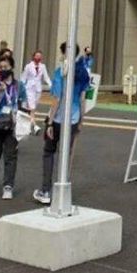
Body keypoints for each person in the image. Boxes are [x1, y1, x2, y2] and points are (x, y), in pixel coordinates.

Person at [33, 42, 90, 205]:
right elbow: (82, 98)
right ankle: (63, 189)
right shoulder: (82, 73)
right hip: (73, 118)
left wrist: (49, 122)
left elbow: (56, 99)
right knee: (66, 154)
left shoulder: (60, 73)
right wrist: (81, 121)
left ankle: (46, 190)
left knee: (49, 151)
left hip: (58, 119)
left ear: (65, 53)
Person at [0, 55, 24, 200]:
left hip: (12, 124)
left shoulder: (18, 85)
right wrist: (1, 93)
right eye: (0, 68)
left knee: (11, 156)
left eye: (5, 67)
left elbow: (23, 103)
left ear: (11, 67)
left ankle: (8, 186)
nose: (3, 70)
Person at [20, 50, 50, 114]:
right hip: (29, 87)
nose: (38, 57)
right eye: (37, 56)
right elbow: (24, 77)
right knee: (31, 104)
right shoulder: (28, 66)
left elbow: (46, 77)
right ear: (33, 57)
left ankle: (29, 115)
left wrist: (50, 85)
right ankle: (32, 119)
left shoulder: (43, 66)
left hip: (38, 88)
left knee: (34, 104)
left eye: (40, 56)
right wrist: (22, 86)